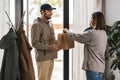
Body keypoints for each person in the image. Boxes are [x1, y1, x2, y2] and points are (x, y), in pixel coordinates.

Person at [64, 12, 107, 80]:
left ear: (95, 20)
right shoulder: (103, 33)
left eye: (91, 18)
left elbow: (78, 37)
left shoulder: (92, 33)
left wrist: (67, 32)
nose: (90, 20)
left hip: (93, 67)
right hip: (100, 67)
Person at [31, 3, 61, 80]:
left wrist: (59, 42)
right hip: (43, 58)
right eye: (49, 10)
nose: (51, 12)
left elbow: (52, 40)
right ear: (42, 12)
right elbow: (35, 43)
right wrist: (50, 47)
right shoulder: (36, 25)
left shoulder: (50, 24)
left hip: (51, 56)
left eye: (51, 10)